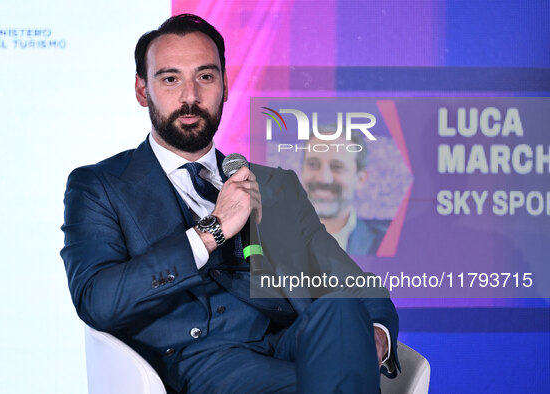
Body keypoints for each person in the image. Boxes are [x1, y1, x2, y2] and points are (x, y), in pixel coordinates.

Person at [60, 14, 399, 393]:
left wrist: (375, 335)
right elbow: (97, 299)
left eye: (205, 77)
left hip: (289, 343)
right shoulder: (99, 186)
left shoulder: (276, 184)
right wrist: (212, 230)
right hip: (202, 361)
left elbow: (351, 282)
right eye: (170, 79)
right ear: (142, 91)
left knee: (340, 306)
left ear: (224, 86)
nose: (190, 96)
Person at [301, 131, 390, 255]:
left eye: (337, 167)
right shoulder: (271, 240)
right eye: (313, 164)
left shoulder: (386, 243)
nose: (323, 179)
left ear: (360, 179)